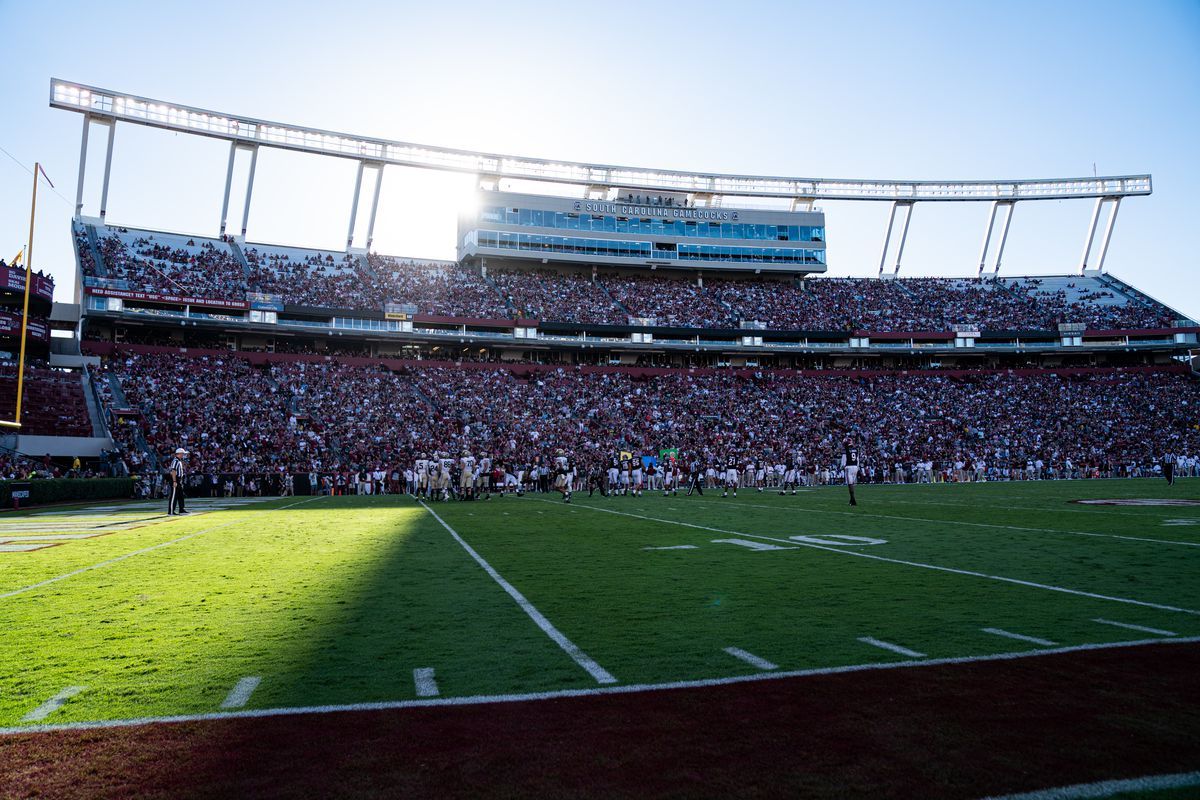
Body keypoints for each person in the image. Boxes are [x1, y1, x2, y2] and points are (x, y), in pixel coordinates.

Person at [167, 447, 189, 515]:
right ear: (179, 454)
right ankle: (171, 511)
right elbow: (173, 471)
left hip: (179, 479)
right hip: (175, 479)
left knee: (180, 495)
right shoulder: (175, 461)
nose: (183, 455)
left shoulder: (178, 461)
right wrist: (174, 481)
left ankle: (181, 509)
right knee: (174, 496)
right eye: (182, 454)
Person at [841, 437, 860, 507]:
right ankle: (851, 500)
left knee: (850, 484)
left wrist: (842, 467)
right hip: (855, 467)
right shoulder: (856, 449)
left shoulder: (846, 449)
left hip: (849, 467)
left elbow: (843, 461)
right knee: (852, 484)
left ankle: (853, 500)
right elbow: (857, 459)